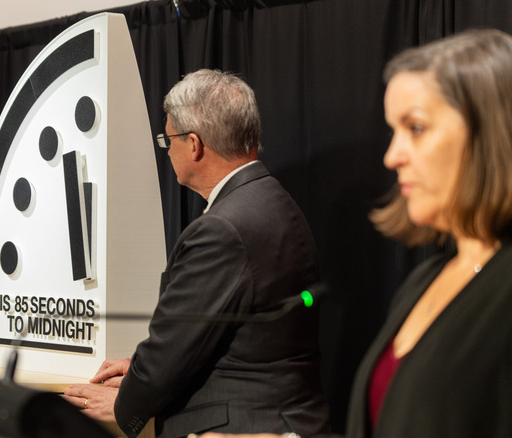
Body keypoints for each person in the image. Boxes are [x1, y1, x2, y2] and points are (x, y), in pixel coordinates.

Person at [64, 69, 330, 437]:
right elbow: (228, 337)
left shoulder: (221, 229)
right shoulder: (274, 200)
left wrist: (127, 403)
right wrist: (140, 367)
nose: (167, 150)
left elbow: (172, 353)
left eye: (168, 139)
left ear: (193, 144)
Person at [342, 29, 512, 437]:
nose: (391, 156)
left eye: (416, 128)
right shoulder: (423, 280)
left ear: (489, 133)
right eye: (393, 131)